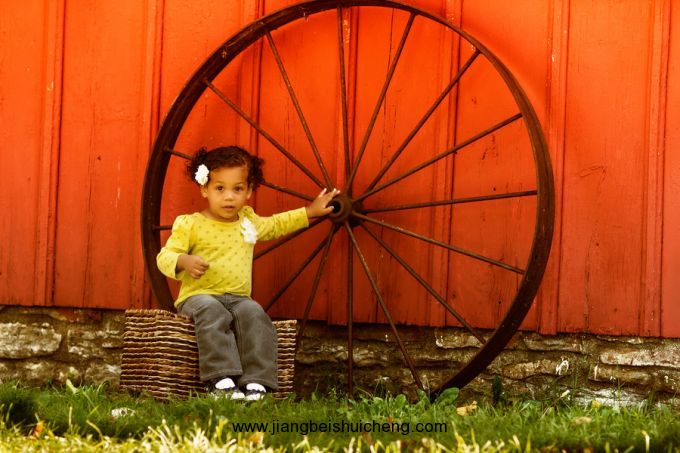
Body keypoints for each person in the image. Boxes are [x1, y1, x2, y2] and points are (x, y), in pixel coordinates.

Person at [157, 145, 338, 401]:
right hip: (198, 298)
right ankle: (220, 379)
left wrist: (310, 212)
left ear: (249, 191)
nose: (229, 197)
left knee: (255, 314)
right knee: (212, 310)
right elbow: (164, 257)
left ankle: (257, 382)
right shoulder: (191, 224)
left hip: (239, 298)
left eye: (237, 189)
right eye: (220, 188)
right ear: (204, 188)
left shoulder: (247, 221)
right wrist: (183, 261)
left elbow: (275, 224)